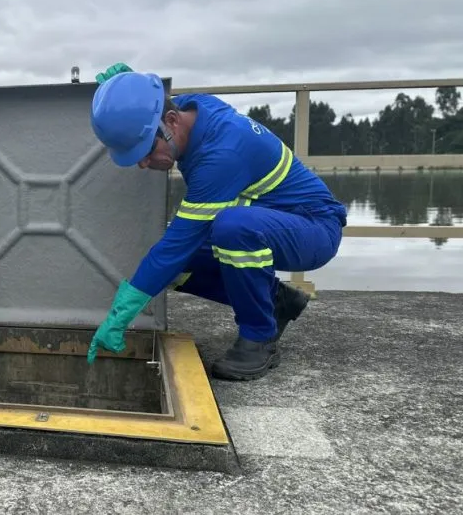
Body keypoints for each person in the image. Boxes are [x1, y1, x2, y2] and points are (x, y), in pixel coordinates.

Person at [85, 63, 347, 380]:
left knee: (230, 230)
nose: (143, 163)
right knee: (179, 267)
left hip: (314, 228)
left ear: (171, 123)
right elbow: (161, 102)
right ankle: (276, 301)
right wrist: (129, 91)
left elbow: (174, 247)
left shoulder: (221, 155)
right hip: (271, 219)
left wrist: (120, 314)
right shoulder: (192, 109)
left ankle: (259, 337)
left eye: (147, 149)